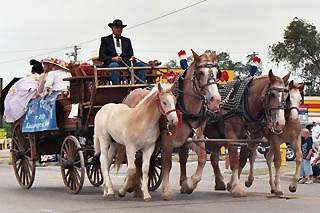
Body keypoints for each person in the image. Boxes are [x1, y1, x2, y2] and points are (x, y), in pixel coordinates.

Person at [99, 19, 146, 85]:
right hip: (111, 64)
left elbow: (131, 54)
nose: (119, 29)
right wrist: (113, 58)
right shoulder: (105, 40)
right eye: (117, 27)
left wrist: (132, 58)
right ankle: (117, 89)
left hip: (126, 63)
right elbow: (102, 56)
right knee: (114, 65)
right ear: (112, 28)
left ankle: (141, 87)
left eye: (121, 28)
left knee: (141, 65)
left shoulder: (127, 40)